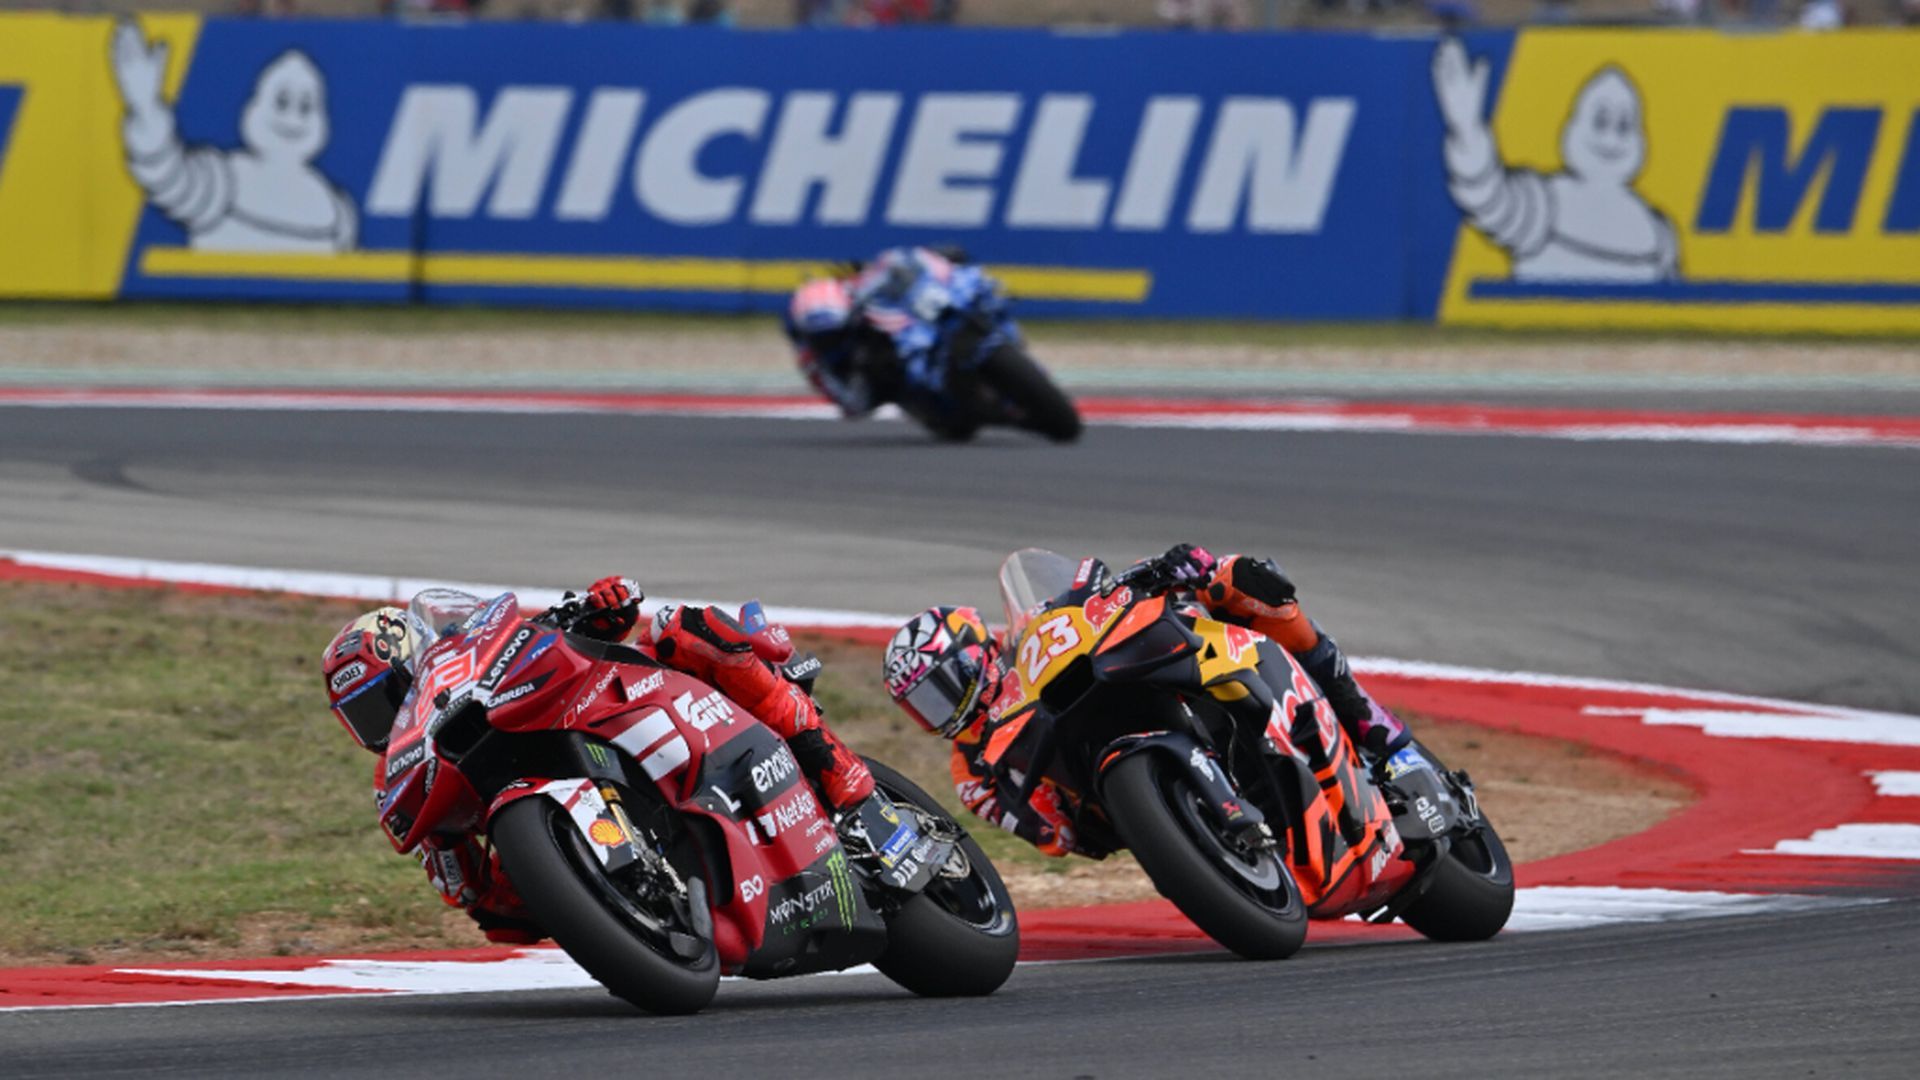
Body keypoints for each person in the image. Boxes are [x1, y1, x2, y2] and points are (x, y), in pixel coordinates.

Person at [322, 576, 873, 943]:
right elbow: (479, 904)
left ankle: (829, 760)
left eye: (386, 698)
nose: (384, 722)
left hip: (639, 704)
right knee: (497, 907)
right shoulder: (401, 774)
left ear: (414, 657)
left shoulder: (478, 656)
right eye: (365, 717)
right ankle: (630, 900)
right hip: (543, 813)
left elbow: (599, 623)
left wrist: (601, 605)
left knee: (682, 626)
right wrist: (451, 858)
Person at [884, 545, 1414, 859]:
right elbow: (1056, 837)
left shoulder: (1032, 639)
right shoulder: (971, 770)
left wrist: (1158, 571)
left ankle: (1368, 719)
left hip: (1122, 686)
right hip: (1113, 801)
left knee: (1234, 579)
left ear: (978, 649)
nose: (946, 706)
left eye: (947, 684)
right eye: (925, 704)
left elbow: (1097, 597)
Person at [783, 245, 1002, 420]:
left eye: (834, 334)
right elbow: (852, 406)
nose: (830, 342)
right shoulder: (814, 362)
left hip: (916, 325)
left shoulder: (864, 291)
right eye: (823, 339)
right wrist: (870, 378)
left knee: (956, 261)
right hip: (911, 390)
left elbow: (903, 264)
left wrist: (926, 265)